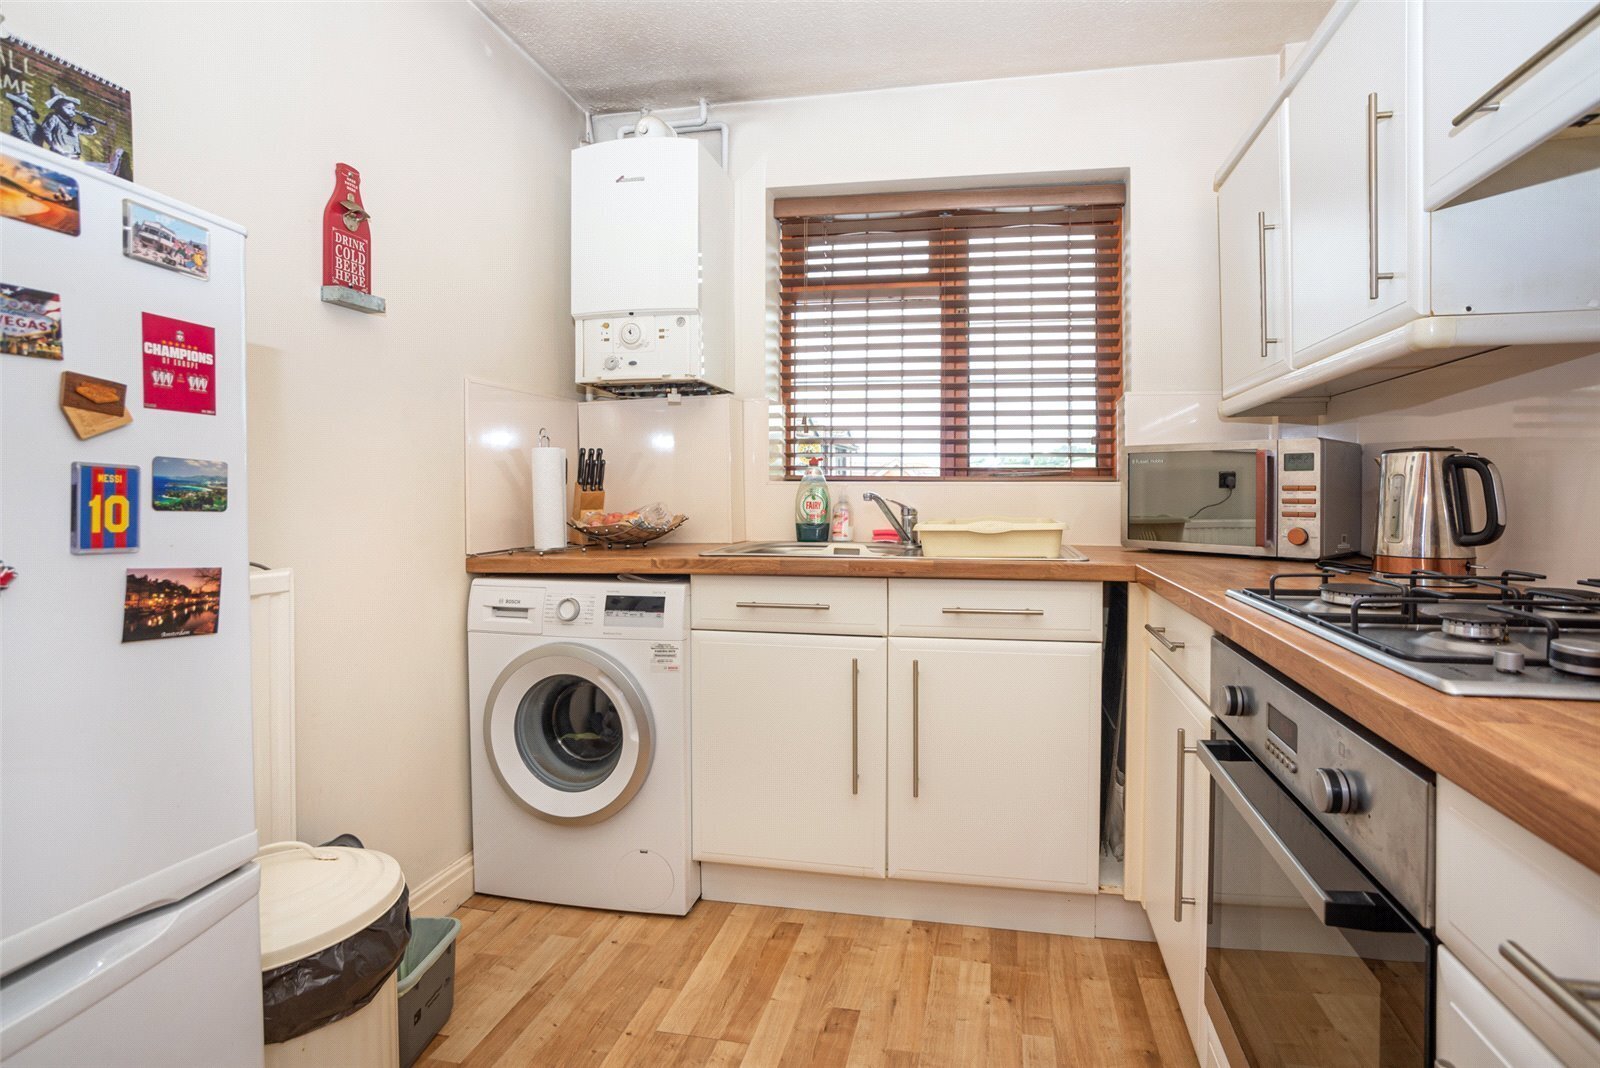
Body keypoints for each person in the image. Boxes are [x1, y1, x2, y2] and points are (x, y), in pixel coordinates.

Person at [37, 86, 98, 160]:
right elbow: (46, 131)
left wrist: (89, 121)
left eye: (73, 109)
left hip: (73, 156)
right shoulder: (54, 118)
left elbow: (92, 131)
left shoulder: (73, 124)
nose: (72, 112)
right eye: (68, 108)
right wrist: (54, 145)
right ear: (57, 107)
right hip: (59, 154)